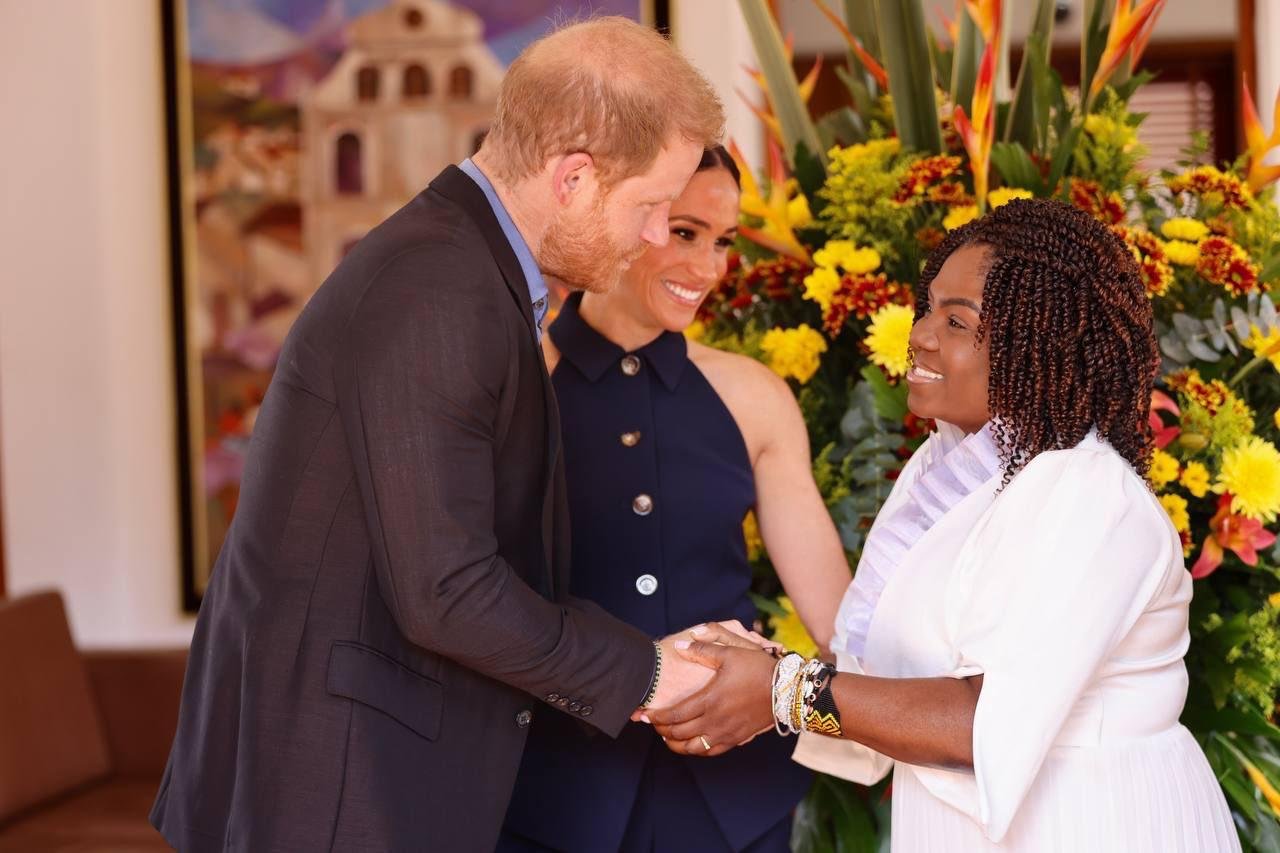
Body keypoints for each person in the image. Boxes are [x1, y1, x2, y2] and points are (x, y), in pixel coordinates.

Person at [150, 18, 734, 853]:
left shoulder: (465, 269)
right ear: (574, 178)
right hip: (335, 794)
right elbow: (448, 591)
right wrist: (649, 673)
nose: (653, 237)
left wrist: (643, 651)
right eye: (650, 207)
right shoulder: (439, 289)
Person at [648, 198, 1240, 851]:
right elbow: (888, 674)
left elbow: (984, 718)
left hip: (1088, 823)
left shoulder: (1090, 493)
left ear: (1036, 342)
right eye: (928, 306)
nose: (921, 333)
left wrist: (784, 689)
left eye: (957, 321)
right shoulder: (950, 469)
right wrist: (755, 670)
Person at [499, 147, 853, 852]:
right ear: (618, 216)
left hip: (734, 802)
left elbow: (842, 619)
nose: (709, 268)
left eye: (722, 242)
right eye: (685, 232)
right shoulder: (514, 381)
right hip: (550, 796)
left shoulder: (754, 395)